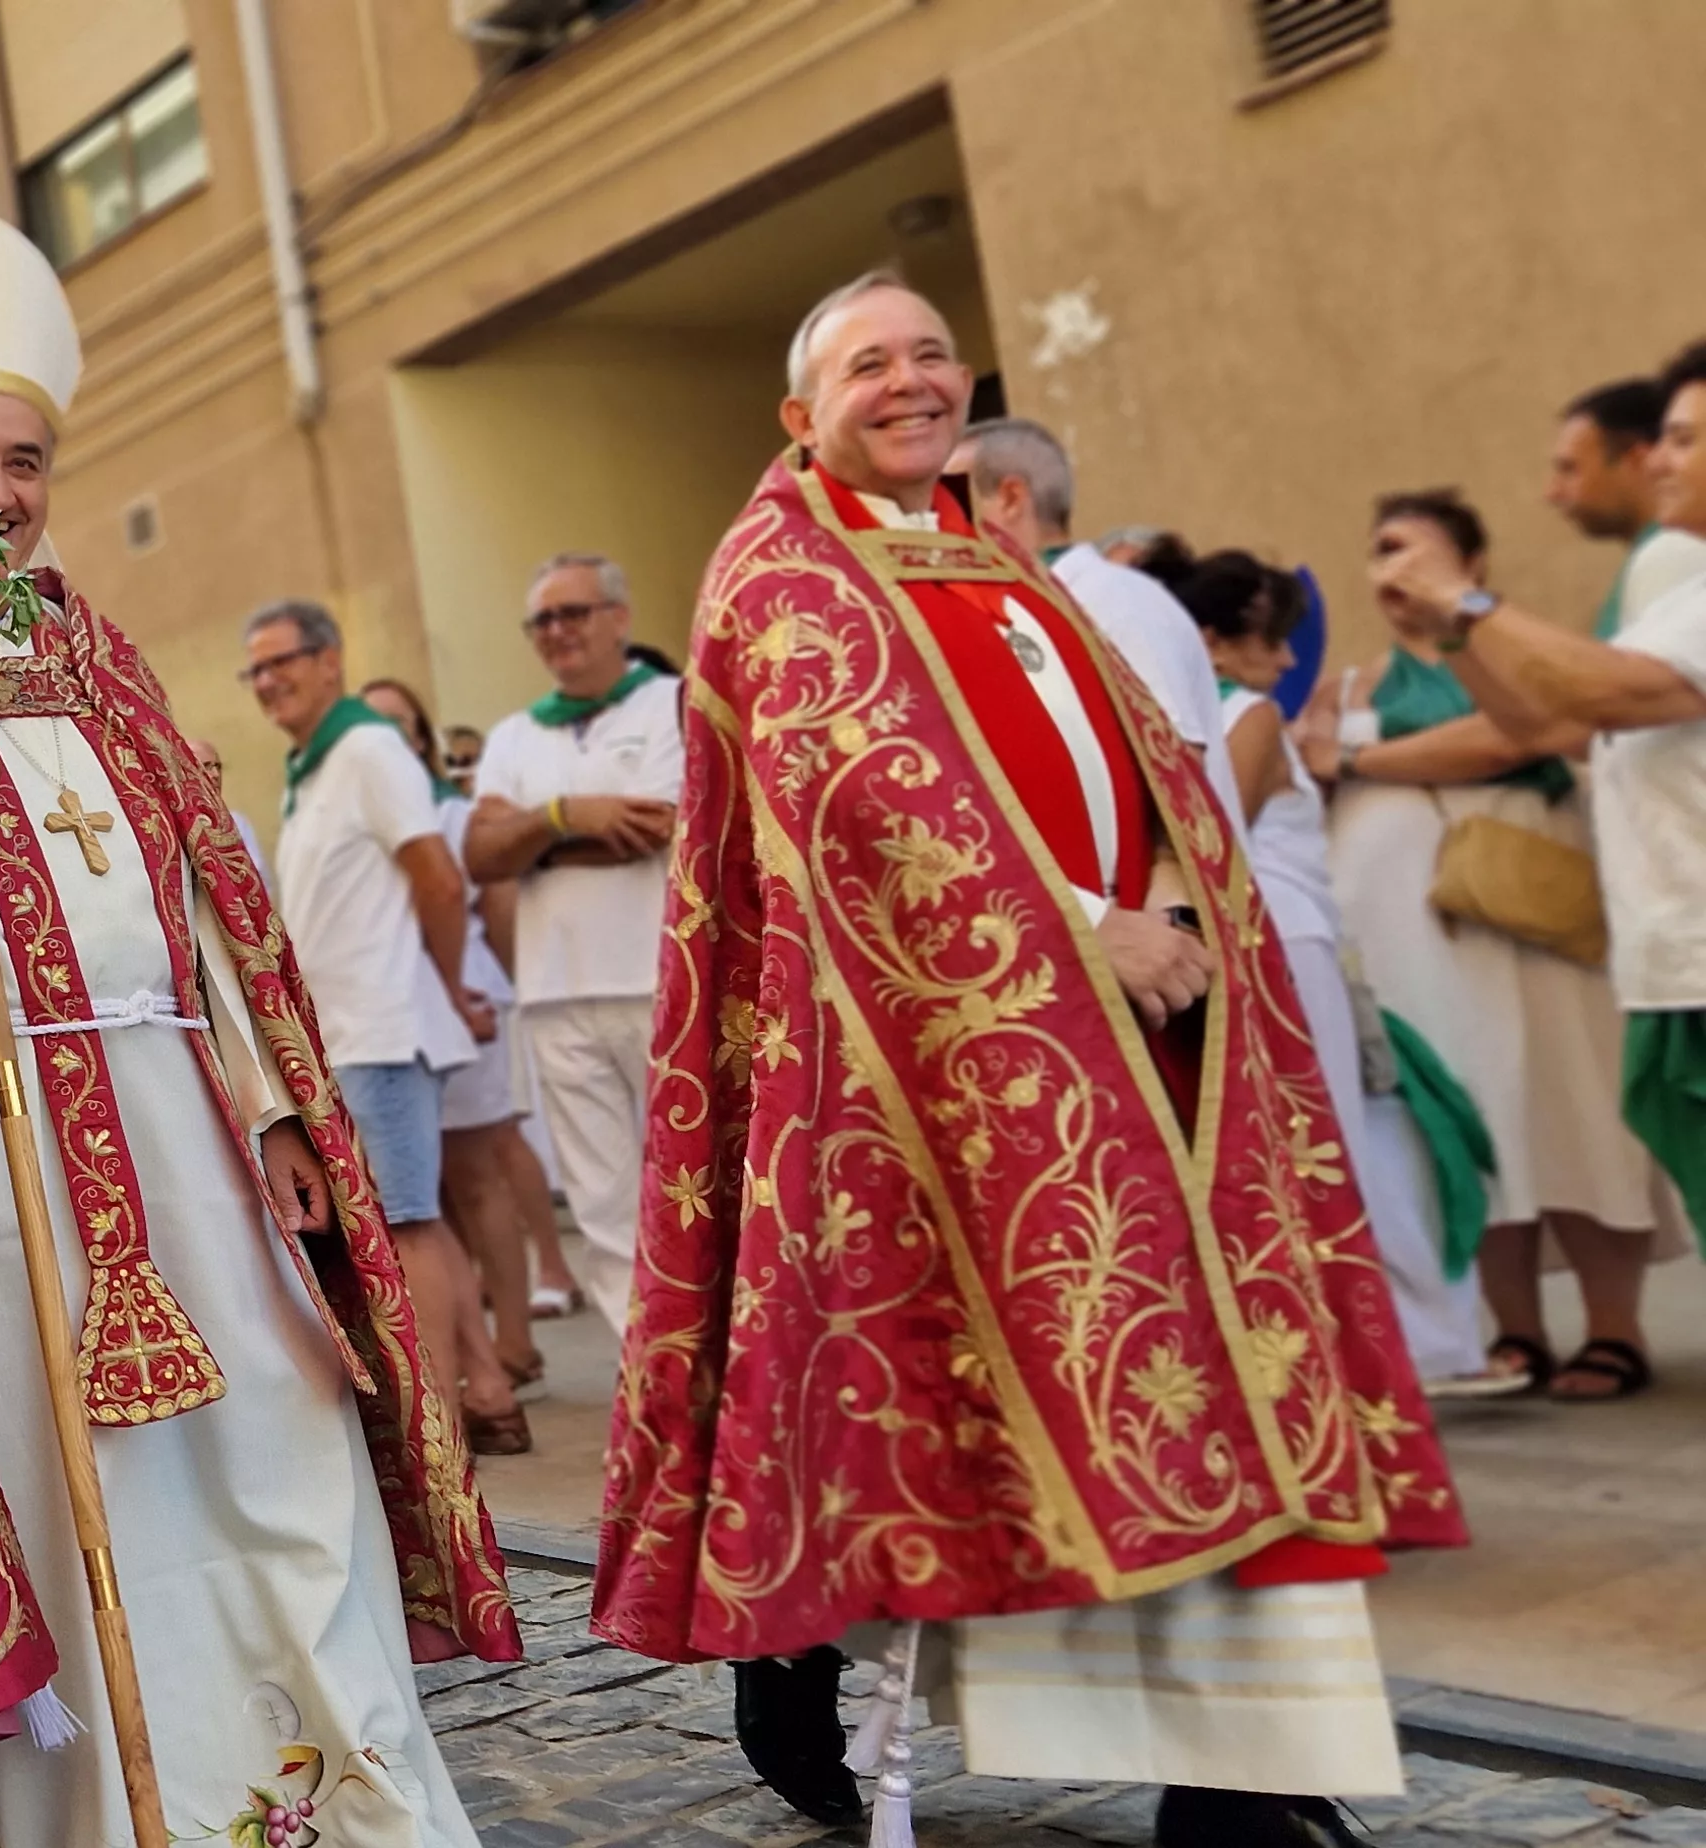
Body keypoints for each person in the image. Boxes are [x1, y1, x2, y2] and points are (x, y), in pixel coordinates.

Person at [607, 272, 1458, 1848]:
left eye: (933, 353)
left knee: (1193, 1395)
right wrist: (1081, 930)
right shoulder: (781, 575)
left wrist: (1178, 910)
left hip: (1146, 1049)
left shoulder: (997, 562)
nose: (912, 381)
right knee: (931, 1414)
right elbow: (864, 803)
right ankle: (802, 1669)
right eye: (871, 364)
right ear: (805, 416)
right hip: (934, 1080)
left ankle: (1249, 1780)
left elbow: (1152, 773)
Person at [0, 208, 509, 1846]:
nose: (4, 493)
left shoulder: (98, 647)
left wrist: (276, 1106)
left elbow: (203, 892)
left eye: (28, 458)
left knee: (289, 1438)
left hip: (179, 1116)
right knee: (67, 1479)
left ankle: (354, 1804)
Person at [1299, 487, 1669, 1400]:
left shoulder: (1509, 652)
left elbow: (1515, 734)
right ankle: (1516, 1332)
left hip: (1542, 915)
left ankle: (1615, 1328)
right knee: (1478, 1116)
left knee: (1571, 1101)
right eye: (1381, 550)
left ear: (1473, 566)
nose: (1393, 570)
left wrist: (1359, 760)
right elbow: (1301, 762)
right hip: (1424, 935)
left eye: (1413, 551)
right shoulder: (1350, 685)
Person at [1396, 339, 1706, 1263]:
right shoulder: (1680, 589)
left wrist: (1468, 604)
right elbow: (1557, 724)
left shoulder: (1671, 579)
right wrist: (1451, 636)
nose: (1659, 459)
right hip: (1678, 962)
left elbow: (1613, 691)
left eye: (1685, 440)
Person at [1161, 551, 1490, 1387]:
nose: (1282, 661)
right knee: (1325, 1139)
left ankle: (1361, 1341)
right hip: (1284, 940)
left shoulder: (1197, 716)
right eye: (1268, 641)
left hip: (1275, 937)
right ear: (1213, 642)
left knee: (1318, 1139)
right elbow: (1214, 835)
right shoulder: (1248, 714)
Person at [242, 602, 523, 1455]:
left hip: (387, 1028)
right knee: (409, 1212)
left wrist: (442, 987)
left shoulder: (367, 748)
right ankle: (483, 1390)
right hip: (359, 1031)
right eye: (254, 671)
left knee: (406, 1219)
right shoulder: (318, 761)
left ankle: (438, 1420)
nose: (267, 682)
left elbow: (435, 878)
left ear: (330, 660)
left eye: (281, 661)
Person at [463, 553, 682, 1330]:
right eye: (543, 621)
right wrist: (562, 816)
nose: (557, 632)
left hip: (662, 980)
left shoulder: (672, 703)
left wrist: (528, 841)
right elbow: (480, 854)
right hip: (554, 991)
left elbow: (654, 828)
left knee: (691, 1186)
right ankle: (644, 1374)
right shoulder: (516, 735)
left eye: (574, 613)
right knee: (602, 1203)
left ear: (619, 618)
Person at [363, 676, 561, 1391]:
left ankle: (514, 1336)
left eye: (396, 723)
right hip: (400, 1007)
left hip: (463, 994)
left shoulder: (449, 811)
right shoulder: (366, 796)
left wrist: (505, 987)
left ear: (420, 738)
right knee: (433, 1189)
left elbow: (487, 899)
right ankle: (471, 1334)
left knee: (480, 1172)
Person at [953, 417, 1243, 821]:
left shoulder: (1112, 599)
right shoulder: (1026, 605)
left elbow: (1176, 762)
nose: (933, 523)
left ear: (1011, 497)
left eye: (949, 500)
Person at [1540, 377, 1694, 639]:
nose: (1552, 493)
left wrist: (1464, 599)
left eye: (1570, 469)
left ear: (1638, 459)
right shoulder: (1656, 555)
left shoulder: (1675, 550)